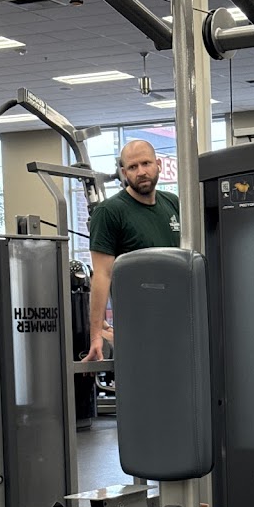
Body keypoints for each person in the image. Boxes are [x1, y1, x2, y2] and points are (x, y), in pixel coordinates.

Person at [82, 140, 180, 363]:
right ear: (125, 173)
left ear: (158, 165)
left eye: (146, 163)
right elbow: (102, 275)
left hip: (178, 321)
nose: (141, 172)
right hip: (137, 327)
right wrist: (95, 335)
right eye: (133, 167)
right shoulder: (109, 212)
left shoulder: (173, 203)